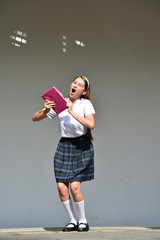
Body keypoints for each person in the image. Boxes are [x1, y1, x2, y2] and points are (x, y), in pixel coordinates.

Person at [32, 76, 95, 232]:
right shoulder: (61, 102)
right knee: (61, 187)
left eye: (79, 85)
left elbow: (91, 124)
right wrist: (47, 109)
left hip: (81, 146)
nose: (75, 85)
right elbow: (35, 118)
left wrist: (71, 110)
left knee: (74, 187)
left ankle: (83, 221)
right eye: (74, 82)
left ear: (84, 91)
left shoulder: (85, 103)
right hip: (64, 145)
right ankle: (72, 221)